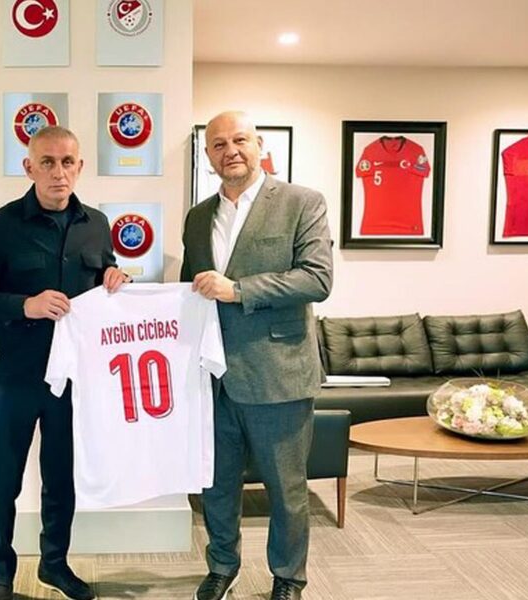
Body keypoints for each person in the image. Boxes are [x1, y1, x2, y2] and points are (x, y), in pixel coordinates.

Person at [0, 126, 130, 600]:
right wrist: (24, 305)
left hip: (72, 378)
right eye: (47, 162)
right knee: (3, 482)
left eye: (67, 162)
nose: (58, 172)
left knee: (61, 479)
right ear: (29, 167)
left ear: (80, 167)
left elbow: (102, 278)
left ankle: (55, 564)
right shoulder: (0, 226)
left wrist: (115, 276)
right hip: (12, 376)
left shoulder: (96, 224)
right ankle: (1, 577)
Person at [181, 111, 333, 600]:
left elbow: (317, 279)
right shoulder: (197, 217)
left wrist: (239, 289)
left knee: (286, 489)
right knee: (216, 485)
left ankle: (288, 578)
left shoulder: (301, 202)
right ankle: (222, 566)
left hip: (278, 374)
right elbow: (189, 292)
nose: (230, 151)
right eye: (218, 144)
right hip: (212, 377)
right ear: (208, 155)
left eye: (240, 140)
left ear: (259, 145)